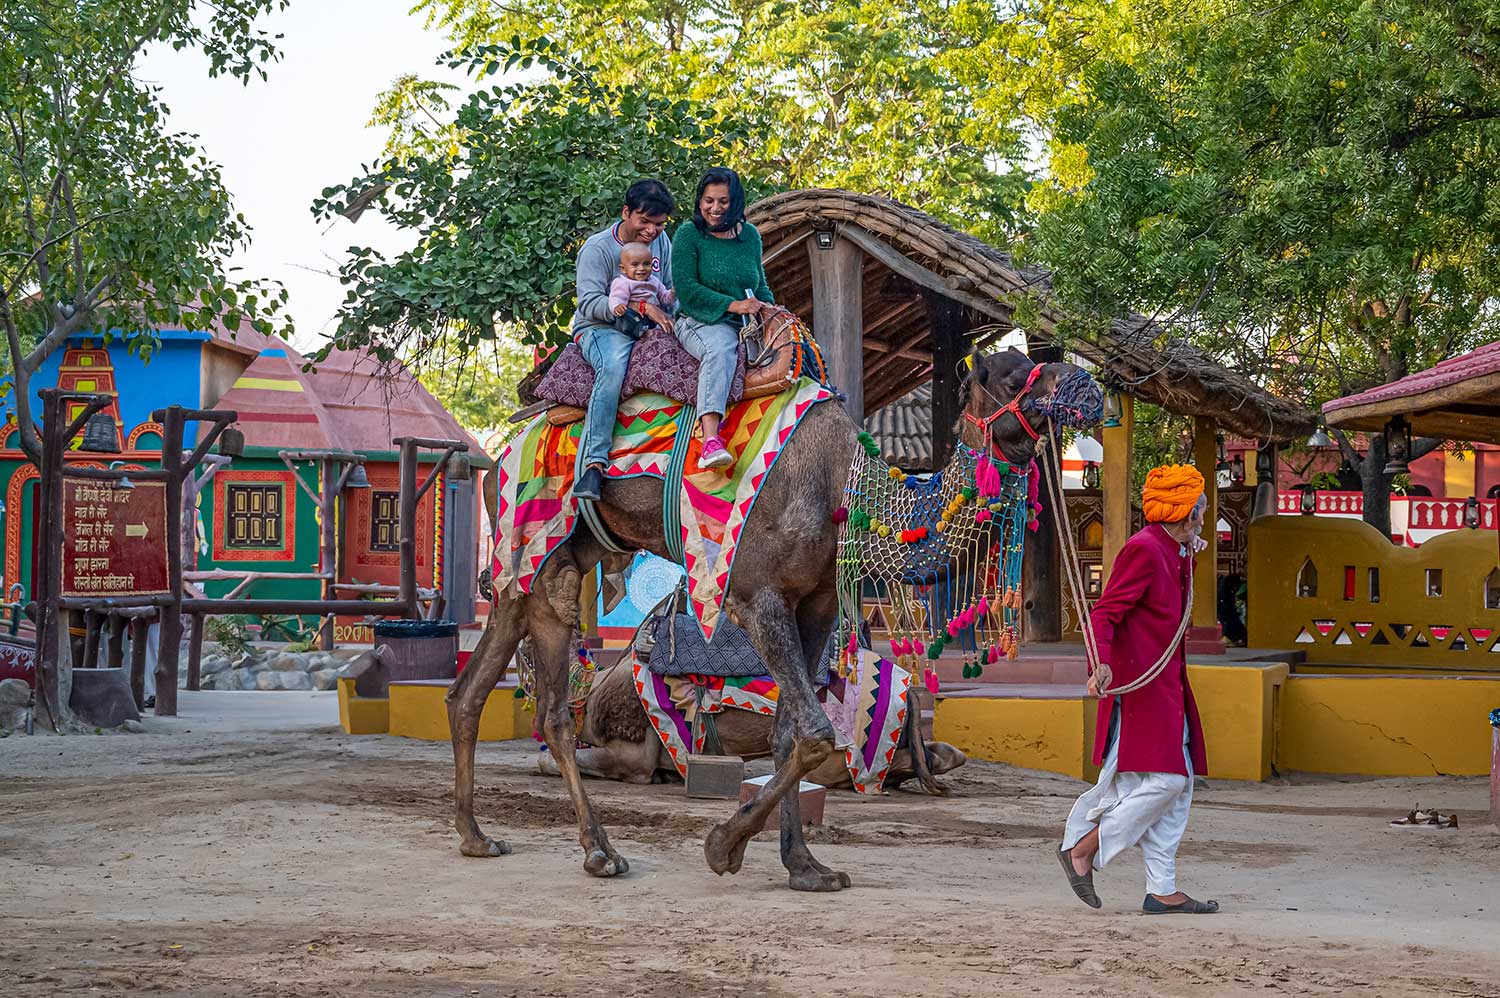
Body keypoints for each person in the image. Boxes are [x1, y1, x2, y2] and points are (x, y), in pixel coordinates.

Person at [1056, 464, 1219, 915]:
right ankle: (1083, 851)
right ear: (1185, 514)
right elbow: (1104, 613)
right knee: (1167, 780)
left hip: (1167, 685)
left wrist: (1189, 551)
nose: (1204, 519)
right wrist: (1100, 663)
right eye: (1200, 512)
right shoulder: (1145, 549)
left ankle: (1162, 889)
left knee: (1176, 785)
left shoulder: (1176, 548)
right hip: (1142, 689)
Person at [572, 179, 677, 501]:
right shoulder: (598, 248)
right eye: (644, 221)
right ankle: (594, 463)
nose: (651, 230)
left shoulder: (663, 243)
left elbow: (670, 289)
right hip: (601, 328)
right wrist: (635, 306)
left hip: (652, 326)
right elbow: (588, 302)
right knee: (615, 367)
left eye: (658, 224)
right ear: (626, 213)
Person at [670, 167, 775, 471]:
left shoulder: (751, 236)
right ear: (699, 201)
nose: (715, 209)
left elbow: (761, 285)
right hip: (700, 321)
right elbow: (687, 290)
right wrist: (734, 306)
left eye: (723, 202)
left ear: (736, 202)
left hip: (747, 323)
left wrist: (771, 309)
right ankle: (710, 440)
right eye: (708, 201)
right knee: (720, 348)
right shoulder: (688, 235)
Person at [608, 242, 676, 337]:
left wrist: (672, 293)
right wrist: (617, 306)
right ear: (623, 268)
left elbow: (664, 299)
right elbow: (616, 297)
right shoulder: (623, 282)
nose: (642, 268)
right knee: (627, 316)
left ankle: (660, 330)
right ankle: (642, 333)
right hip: (636, 317)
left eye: (646, 264)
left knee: (666, 319)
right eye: (635, 265)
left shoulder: (654, 281)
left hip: (653, 316)